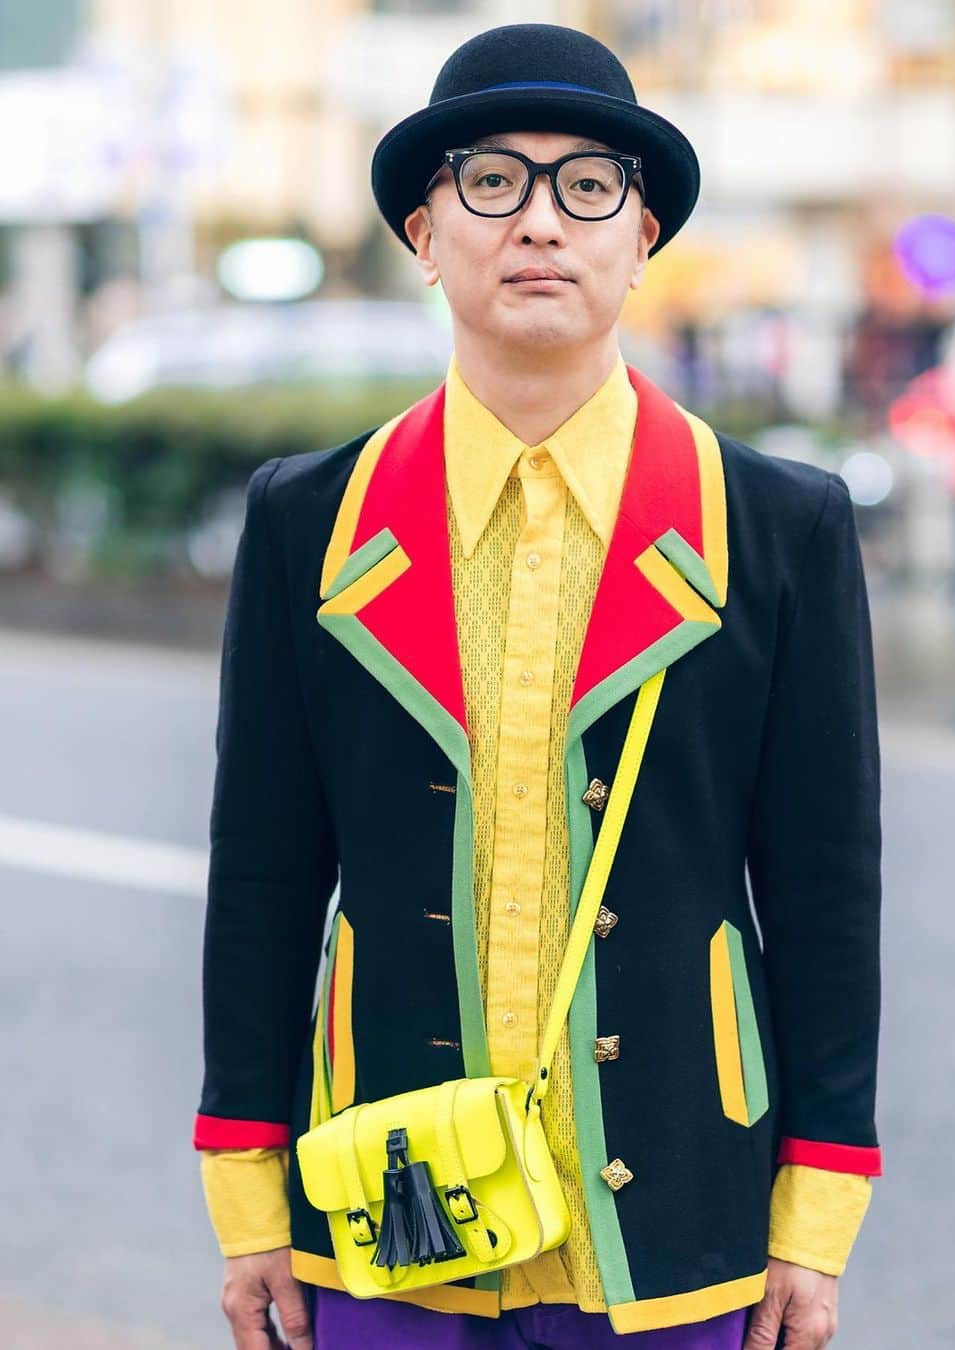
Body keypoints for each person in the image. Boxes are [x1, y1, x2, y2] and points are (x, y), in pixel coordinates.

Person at [193, 22, 883, 1350]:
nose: (541, 224)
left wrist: (815, 1217)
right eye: (493, 180)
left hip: (676, 1208)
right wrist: (247, 1191)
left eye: (589, 186)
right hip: (384, 1200)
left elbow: (825, 895)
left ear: (644, 240)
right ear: (422, 229)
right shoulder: (314, 521)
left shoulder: (777, 525)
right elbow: (264, 877)